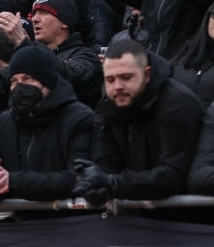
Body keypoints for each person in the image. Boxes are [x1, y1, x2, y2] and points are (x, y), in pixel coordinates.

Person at [73, 39, 203, 205]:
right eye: (110, 80)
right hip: (133, 218)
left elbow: (173, 175)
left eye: (126, 77)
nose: (117, 86)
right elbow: (108, 166)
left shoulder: (179, 104)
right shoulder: (109, 105)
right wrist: (92, 186)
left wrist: (112, 182)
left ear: (147, 74)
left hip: (189, 220)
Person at [0, 45, 93, 201]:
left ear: (48, 80)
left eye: (27, 78)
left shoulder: (79, 118)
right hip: (16, 222)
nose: (19, 86)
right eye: (13, 80)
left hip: (67, 221)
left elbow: (77, 179)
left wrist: (12, 181)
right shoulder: (5, 123)